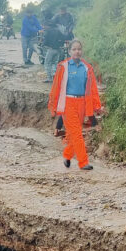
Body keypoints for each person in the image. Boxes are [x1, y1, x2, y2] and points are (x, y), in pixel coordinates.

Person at [48, 39, 102, 171]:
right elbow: (56, 87)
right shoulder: (63, 67)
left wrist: (96, 106)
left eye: (79, 49)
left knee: (73, 133)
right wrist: (53, 106)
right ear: (69, 51)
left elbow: (92, 88)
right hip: (68, 103)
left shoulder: (87, 68)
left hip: (82, 103)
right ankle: (83, 162)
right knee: (77, 133)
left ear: (82, 51)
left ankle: (67, 155)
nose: (77, 51)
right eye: (74, 49)